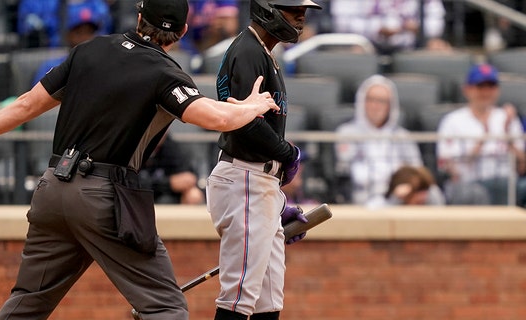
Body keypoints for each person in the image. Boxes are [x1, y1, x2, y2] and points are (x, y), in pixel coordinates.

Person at [0, 0, 279, 317]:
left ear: (139, 17)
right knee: (166, 306)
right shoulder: (164, 71)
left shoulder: (89, 50)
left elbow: (25, 105)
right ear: (182, 32)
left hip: (52, 189)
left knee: (27, 303)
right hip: (103, 198)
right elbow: (217, 119)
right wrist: (254, 106)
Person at [207, 1, 320, 319]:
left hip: (257, 181)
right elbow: (244, 122)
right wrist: (287, 154)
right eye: (292, 9)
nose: (301, 17)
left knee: (267, 302)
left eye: (303, 10)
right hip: (245, 178)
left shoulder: (261, 51)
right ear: (267, 8)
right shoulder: (248, 52)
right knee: (238, 300)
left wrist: (275, 198)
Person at [437, 63, 526, 206]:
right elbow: (447, 167)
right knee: (474, 193)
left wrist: (508, 136)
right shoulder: (452, 120)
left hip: (508, 183)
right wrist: (482, 140)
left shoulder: (507, 118)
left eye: (490, 87)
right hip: (470, 182)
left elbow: (522, 166)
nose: (486, 92)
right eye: (480, 87)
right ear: (467, 90)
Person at [335, 74, 424, 205]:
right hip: (358, 198)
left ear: (391, 106)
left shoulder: (402, 136)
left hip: (397, 198)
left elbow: (417, 170)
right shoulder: (346, 132)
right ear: (362, 102)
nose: (376, 106)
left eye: (382, 101)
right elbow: (344, 170)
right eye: (371, 99)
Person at [31, 0, 110, 85]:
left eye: (89, 32)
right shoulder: (52, 67)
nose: (85, 38)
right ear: (68, 36)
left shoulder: (101, 67)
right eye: (79, 33)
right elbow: (37, 97)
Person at [331, 0, 450, 55]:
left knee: (438, 48)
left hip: (412, 45)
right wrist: (376, 29)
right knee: (354, 52)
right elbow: (341, 20)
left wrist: (417, 27)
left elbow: (437, 21)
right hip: (366, 44)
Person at [140, 133, 205, 204]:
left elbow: (188, 176)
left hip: (169, 193)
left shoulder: (171, 147)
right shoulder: (135, 149)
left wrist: (184, 182)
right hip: (142, 193)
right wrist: (169, 183)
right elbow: (135, 182)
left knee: (194, 194)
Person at [17, 0, 112, 48]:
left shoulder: (96, 5)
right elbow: (26, 24)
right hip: (54, 50)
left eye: (87, 32)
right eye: (79, 32)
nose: (83, 37)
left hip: (93, 52)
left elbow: (105, 26)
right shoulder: (51, 65)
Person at [365, 165, 445, 208]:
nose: (422, 196)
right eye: (416, 190)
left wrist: (432, 190)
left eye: (423, 189)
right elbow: (371, 209)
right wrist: (395, 200)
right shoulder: (390, 201)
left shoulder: (429, 198)